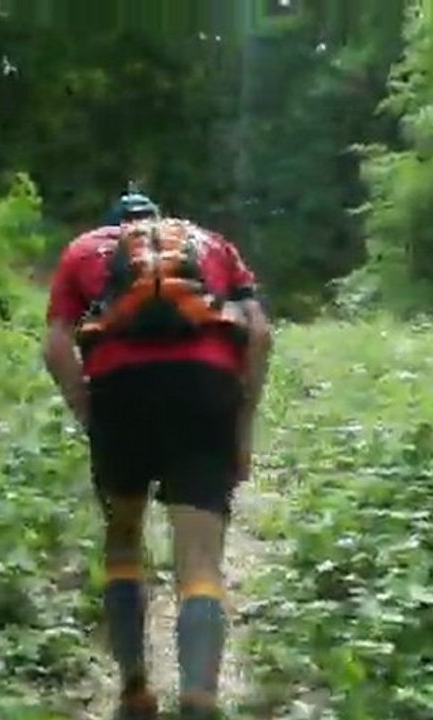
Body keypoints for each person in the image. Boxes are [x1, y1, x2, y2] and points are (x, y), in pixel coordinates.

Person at [42, 190, 272, 720]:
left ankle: (135, 693)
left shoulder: (84, 250)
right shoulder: (213, 243)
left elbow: (56, 345)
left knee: (123, 542)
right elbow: (258, 333)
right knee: (198, 561)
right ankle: (198, 699)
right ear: (162, 222)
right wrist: (241, 424)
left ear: (114, 227)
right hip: (204, 386)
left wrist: (90, 415)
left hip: (121, 390)